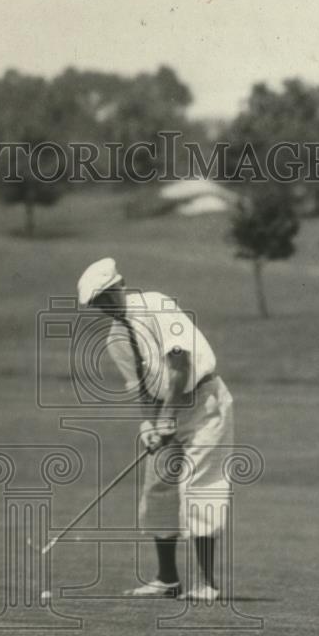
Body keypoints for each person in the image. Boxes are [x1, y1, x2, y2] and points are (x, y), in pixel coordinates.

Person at [76, 257, 234, 601]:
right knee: (157, 487)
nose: (105, 306)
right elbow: (142, 387)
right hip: (166, 409)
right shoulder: (116, 339)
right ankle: (167, 579)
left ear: (120, 286)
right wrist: (149, 422)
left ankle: (207, 583)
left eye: (107, 296)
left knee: (200, 486)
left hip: (205, 403)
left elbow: (180, 365)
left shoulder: (157, 305)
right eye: (97, 304)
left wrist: (167, 417)